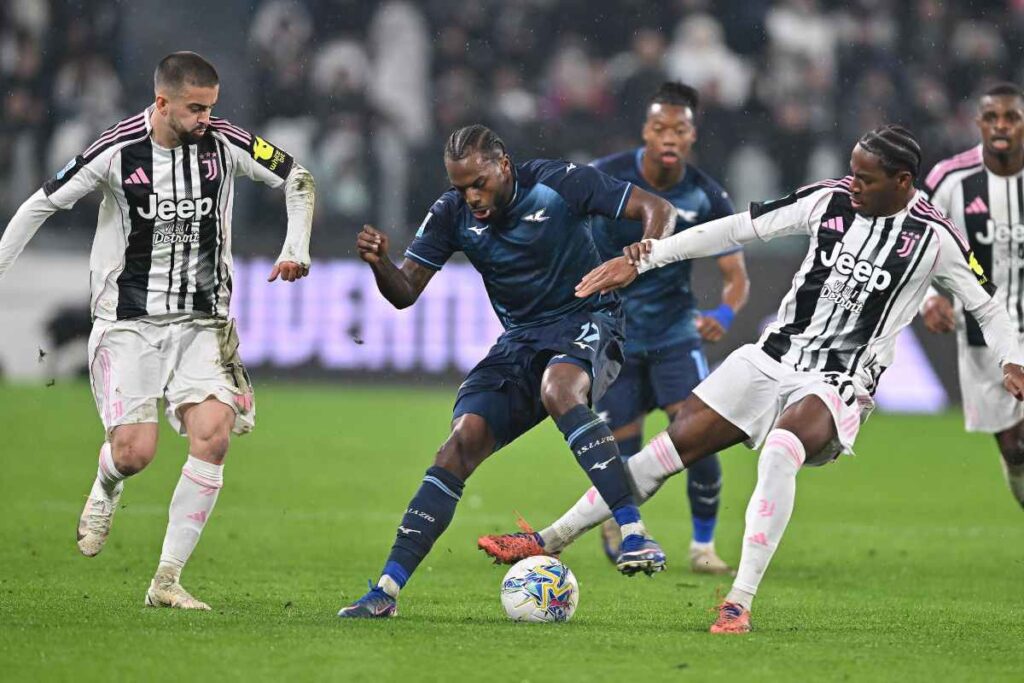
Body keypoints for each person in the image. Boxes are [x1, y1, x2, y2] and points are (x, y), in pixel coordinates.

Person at [479, 125, 1024, 633]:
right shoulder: (828, 200)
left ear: (902, 182)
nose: (852, 183)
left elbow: (989, 307)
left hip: (840, 378)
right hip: (771, 358)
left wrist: (1011, 358)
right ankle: (546, 541)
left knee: (781, 448)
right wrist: (648, 258)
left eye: (866, 178)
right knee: (665, 452)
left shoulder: (935, 238)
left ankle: (738, 601)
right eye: (852, 171)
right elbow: (739, 228)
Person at [0, 51, 315, 610]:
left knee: (214, 434)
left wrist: (296, 248)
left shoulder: (224, 143)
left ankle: (166, 580)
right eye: (195, 109)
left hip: (203, 321)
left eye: (212, 107)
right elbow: (39, 205)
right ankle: (106, 483)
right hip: (129, 325)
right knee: (135, 451)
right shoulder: (117, 151)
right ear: (162, 102)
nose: (205, 120)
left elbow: (298, 177)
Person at [337, 124, 678, 618]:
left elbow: (657, 210)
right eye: (460, 187)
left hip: (590, 317)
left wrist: (642, 255)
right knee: (461, 441)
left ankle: (632, 533)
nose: (471, 196)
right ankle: (385, 591)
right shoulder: (451, 213)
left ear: (504, 165)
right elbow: (406, 291)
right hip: (520, 340)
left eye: (479, 183)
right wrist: (379, 263)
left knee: (560, 389)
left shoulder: (559, 183)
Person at [587, 82, 749, 573]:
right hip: (616, 339)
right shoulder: (607, 176)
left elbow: (736, 277)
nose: (669, 137)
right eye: (660, 128)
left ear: (692, 135)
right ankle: (621, 523)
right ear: (645, 131)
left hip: (676, 337)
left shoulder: (706, 194)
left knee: (699, 435)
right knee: (625, 445)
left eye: (679, 129)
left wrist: (722, 315)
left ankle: (703, 547)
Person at [921, 82, 1024, 509]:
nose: (1001, 126)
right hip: (984, 334)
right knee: (1016, 451)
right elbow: (916, 244)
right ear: (978, 122)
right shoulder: (949, 179)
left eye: (1012, 117)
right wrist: (931, 296)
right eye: (992, 117)